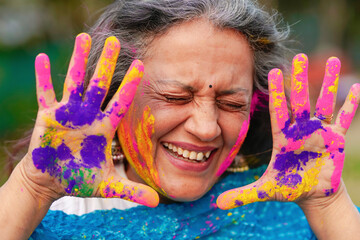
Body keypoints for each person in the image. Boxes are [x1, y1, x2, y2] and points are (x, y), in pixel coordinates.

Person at [1, 0, 360, 239]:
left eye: (232, 103)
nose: (206, 127)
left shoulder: (287, 215)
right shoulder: (54, 216)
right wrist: (33, 190)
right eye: (175, 97)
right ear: (112, 97)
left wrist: (327, 205)